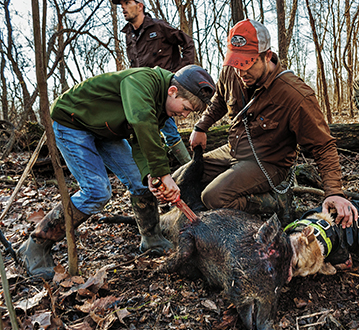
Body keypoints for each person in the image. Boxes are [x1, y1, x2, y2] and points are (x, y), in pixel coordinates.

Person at [17, 65, 215, 280]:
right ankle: (35, 245)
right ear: (173, 91)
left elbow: (141, 139)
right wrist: (163, 173)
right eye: (185, 108)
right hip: (73, 122)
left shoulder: (161, 106)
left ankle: (152, 238)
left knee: (140, 183)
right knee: (97, 191)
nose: (184, 114)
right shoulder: (142, 80)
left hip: (106, 130)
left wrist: (151, 174)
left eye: (189, 113)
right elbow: (140, 121)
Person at [185, 19, 357, 227]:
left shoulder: (295, 95)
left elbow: (323, 146)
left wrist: (335, 193)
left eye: (247, 64)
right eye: (236, 63)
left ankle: (274, 202)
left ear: (266, 56)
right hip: (233, 150)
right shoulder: (232, 72)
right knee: (182, 178)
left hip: (269, 163)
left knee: (213, 197)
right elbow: (220, 99)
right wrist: (201, 127)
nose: (240, 72)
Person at [114, 0, 196, 165]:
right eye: (120, 3)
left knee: (169, 131)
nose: (122, 7)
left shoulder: (159, 27)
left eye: (127, 2)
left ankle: (190, 169)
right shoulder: (128, 34)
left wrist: (179, 74)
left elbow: (188, 43)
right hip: (141, 92)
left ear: (140, 5)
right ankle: (154, 175)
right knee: (143, 132)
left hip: (163, 90)